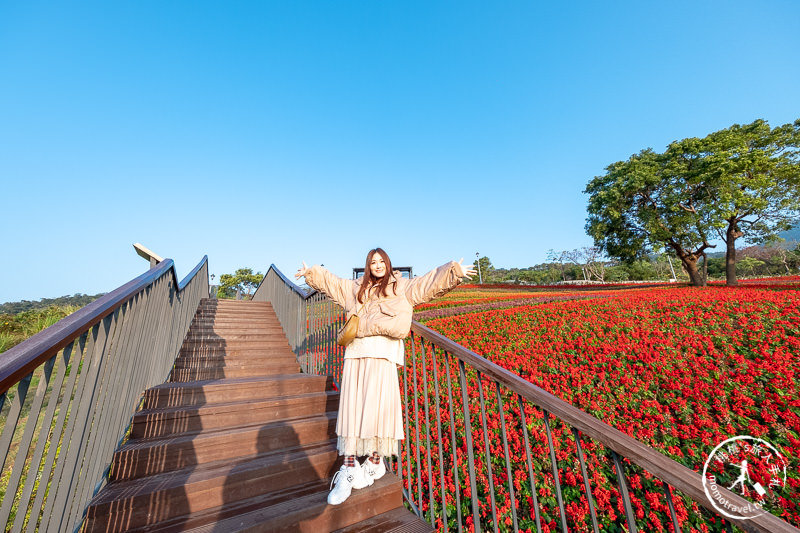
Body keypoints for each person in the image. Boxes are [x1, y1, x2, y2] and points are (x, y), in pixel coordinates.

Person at [295, 248, 476, 505]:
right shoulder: (355, 288)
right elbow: (332, 283)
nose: (378, 266)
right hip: (356, 355)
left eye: (382, 262)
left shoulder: (401, 287)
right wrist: (312, 273)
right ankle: (348, 469)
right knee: (352, 411)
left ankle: (375, 462)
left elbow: (427, 284)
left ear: (387, 264)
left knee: (380, 411)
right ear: (367, 266)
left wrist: (452, 271)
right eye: (373, 262)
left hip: (383, 356)